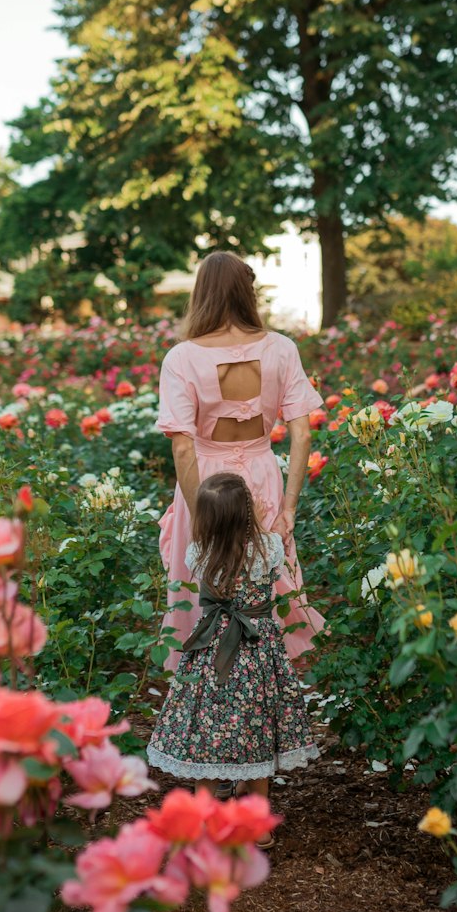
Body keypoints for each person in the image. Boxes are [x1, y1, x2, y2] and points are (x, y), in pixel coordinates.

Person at [156, 250, 326, 670]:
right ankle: (267, 687)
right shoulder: (282, 349)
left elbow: (182, 446)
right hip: (262, 476)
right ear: (248, 292)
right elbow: (302, 432)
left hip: (206, 483)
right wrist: (288, 507)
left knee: (201, 588)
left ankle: (205, 696)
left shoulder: (182, 358)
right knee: (267, 587)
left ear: (201, 294)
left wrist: (198, 517)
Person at [147, 471, 320, 816]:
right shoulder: (269, 548)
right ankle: (256, 821)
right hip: (257, 652)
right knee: (256, 725)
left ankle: (204, 817)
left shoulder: (198, 552)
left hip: (211, 653)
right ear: (247, 512)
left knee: (207, 724)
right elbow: (277, 539)